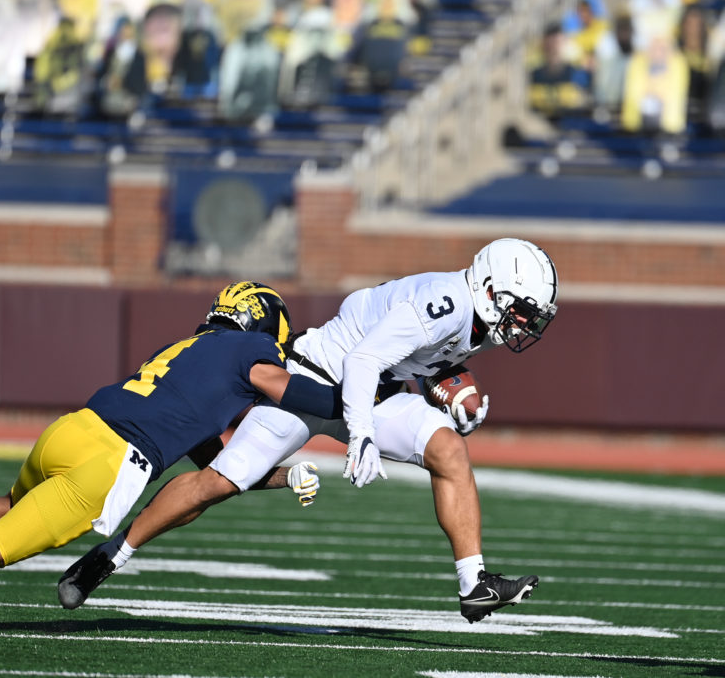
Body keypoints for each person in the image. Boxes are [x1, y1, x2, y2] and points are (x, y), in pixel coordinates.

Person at [58, 238, 557, 623]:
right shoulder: (445, 302)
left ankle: (474, 585)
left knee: (449, 449)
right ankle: (111, 555)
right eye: (521, 311)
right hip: (317, 376)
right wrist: (360, 434)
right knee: (221, 480)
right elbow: (364, 358)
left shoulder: (476, 317)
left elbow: (416, 364)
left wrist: (452, 399)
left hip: (370, 389)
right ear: (491, 288)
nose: (522, 326)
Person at [0, 281, 339, 610]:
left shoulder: (186, 349)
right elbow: (284, 386)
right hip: (108, 462)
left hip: (72, 430)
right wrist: (356, 399)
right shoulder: (249, 352)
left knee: (11, 503)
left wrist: (283, 476)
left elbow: (218, 468)